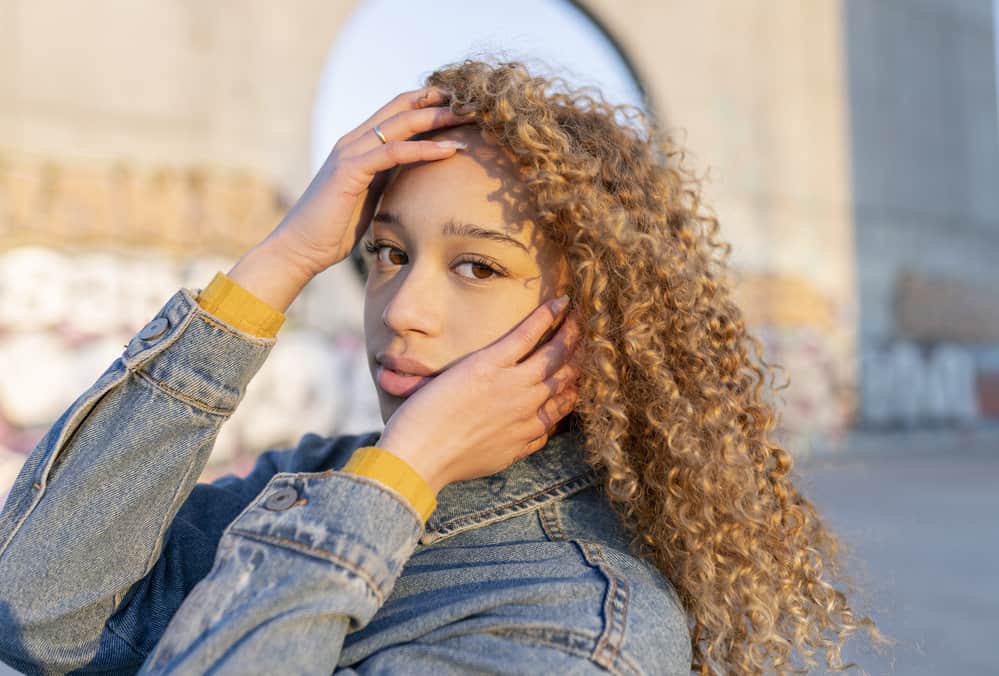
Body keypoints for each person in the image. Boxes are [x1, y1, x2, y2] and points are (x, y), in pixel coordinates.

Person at [0, 59, 891, 675]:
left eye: (477, 267)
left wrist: (396, 481)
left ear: (589, 325)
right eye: (386, 253)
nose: (402, 309)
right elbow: (35, 608)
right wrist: (278, 261)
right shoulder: (318, 484)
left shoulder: (576, 626)